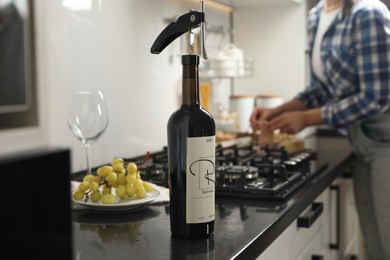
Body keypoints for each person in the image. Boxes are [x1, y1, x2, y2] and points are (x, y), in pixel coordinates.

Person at [250, 0, 390, 259]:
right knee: (374, 247)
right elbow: (321, 89)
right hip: (360, 140)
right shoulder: (316, 16)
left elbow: (378, 96)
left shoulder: (368, 12)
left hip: (386, 141)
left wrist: (307, 118)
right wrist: (277, 111)